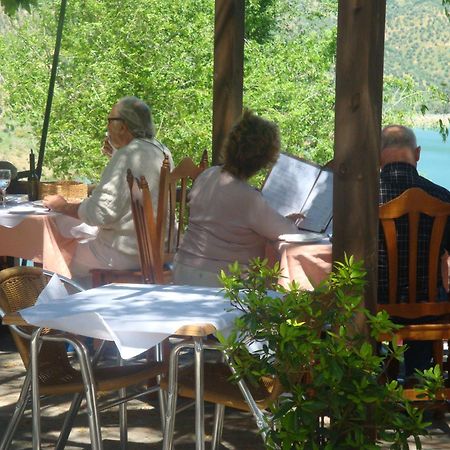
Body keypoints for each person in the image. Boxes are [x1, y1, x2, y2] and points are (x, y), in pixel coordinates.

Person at [43, 96, 173, 287]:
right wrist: (116, 155)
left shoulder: (127, 155)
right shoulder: (161, 150)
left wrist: (63, 206)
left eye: (110, 120)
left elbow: (100, 213)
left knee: (62, 257)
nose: (107, 126)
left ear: (123, 126)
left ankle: (68, 312)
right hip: (160, 250)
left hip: (127, 254)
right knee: (81, 236)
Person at [173, 109, 301, 287]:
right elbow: (290, 233)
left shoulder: (206, 176)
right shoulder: (249, 199)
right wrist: (289, 222)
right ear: (265, 160)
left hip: (182, 273)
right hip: (222, 284)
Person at [379, 124, 450, 380]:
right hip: (428, 305)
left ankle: (375, 377)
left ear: (378, 155)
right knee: (426, 294)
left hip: (375, 307)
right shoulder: (443, 197)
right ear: (417, 153)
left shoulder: (364, 198)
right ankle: (418, 378)